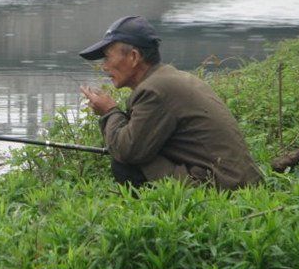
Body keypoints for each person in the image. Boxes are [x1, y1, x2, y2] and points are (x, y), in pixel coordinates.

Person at [79, 15, 262, 190]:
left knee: (126, 160)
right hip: (240, 181)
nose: (104, 66)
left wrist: (109, 112)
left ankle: (153, 216)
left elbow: (128, 150)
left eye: (108, 57)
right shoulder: (171, 78)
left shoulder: (153, 90)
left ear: (134, 57)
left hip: (221, 188)